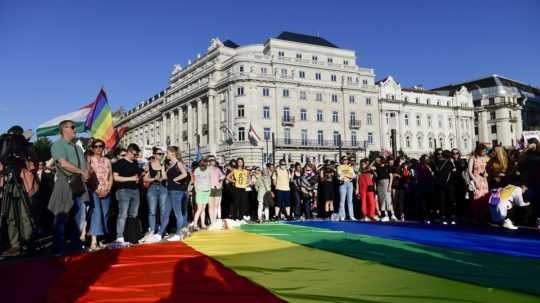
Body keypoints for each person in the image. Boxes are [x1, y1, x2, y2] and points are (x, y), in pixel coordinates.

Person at [48, 121, 88, 255]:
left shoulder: (77, 147)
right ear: (64, 129)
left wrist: (87, 172)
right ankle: (58, 248)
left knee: (79, 215)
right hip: (65, 182)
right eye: (72, 127)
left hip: (79, 183)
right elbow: (63, 163)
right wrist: (82, 172)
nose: (75, 129)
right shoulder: (58, 145)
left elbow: (84, 164)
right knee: (62, 215)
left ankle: (75, 245)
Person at [156, 146, 189, 241]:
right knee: (166, 213)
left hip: (177, 191)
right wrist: (162, 167)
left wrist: (176, 179)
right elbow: (165, 177)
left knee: (177, 213)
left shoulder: (178, 163)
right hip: (169, 191)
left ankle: (179, 234)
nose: (166, 154)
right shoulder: (170, 165)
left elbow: (185, 174)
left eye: (167, 152)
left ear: (172, 153)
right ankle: (159, 233)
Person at [112, 143, 142, 245]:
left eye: (136, 154)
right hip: (123, 191)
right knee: (123, 214)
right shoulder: (119, 163)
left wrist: (139, 177)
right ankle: (119, 236)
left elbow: (137, 175)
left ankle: (131, 235)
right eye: (134, 154)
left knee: (133, 214)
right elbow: (115, 177)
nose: (135, 156)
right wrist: (131, 178)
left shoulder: (135, 163)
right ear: (129, 152)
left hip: (135, 191)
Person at [87, 139, 113, 251]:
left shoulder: (107, 160)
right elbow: (89, 177)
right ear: (92, 148)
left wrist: (108, 188)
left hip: (106, 190)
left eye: (101, 146)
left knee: (105, 215)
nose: (98, 148)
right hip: (94, 191)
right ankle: (93, 241)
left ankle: (101, 239)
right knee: (96, 214)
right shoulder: (89, 160)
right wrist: (96, 190)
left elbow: (111, 176)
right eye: (96, 146)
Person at [140, 147, 167, 243]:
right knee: (152, 211)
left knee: (163, 210)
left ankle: (162, 231)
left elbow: (164, 175)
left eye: (162, 154)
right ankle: (152, 230)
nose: (161, 155)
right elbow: (144, 179)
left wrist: (162, 178)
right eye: (159, 154)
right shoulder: (149, 165)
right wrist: (153, 179)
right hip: (152, 188)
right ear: (154, 154)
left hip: (162, 188)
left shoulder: (162, 164)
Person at [433, 150, 457, 224]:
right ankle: (452, 217)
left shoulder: (437, 163)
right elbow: (454, 171)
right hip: (449, 184)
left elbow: (435, 173)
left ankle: (443, 217)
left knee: (442, 201)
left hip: (440, 184)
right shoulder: (449, 162)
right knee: (450, 200)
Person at [468, 144, 490, 224]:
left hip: (484, 180)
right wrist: (475, 180)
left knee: (485, 197)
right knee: (477, 197)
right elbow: (469, 171)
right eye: (483, 150)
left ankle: (484, 217)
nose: (484, 152)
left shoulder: (485, 158)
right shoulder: (473, 158)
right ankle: (476, 217)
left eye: (485, 151)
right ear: (479, 150)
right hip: (476, 179)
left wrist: (486, 173)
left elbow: (486, 169)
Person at [375, 157, 396, 222]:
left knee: (387, 199)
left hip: (386, 182)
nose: (377, 161)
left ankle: (390, 215)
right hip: (379, 183)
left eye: (378, 160)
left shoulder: (387, 167)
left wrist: (390, 186)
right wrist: (373, 161)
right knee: (381, 199)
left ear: (381, 160)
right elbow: (369, 168)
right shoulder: (377, 167)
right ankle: (383, 215)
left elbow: (391, 176)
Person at [192, 157, 211, 230]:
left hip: (206, 191)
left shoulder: (208, 170)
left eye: (205, 164)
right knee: (199, 209)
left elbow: (209, 180)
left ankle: (203, 224)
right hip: (200, 191)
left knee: (203, 209)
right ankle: (195, 224)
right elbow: (195, 181)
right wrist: (197, 190)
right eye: (202, 164)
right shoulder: (197, 170)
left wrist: (209, 190)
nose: (204, 166)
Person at [337, 156, 356, 220]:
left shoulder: (350, 167)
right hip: (343, 184)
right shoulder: (339, 167)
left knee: (350, 200)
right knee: (342, 200)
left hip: (350, 184)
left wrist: (345, 175)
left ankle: (351, 215)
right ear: (341, 160)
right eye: (344, 159)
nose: (345, 161)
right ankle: (342, 215)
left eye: (347, 159)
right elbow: (340, 175)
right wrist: (348, 175)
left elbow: (354, 176)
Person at [208, 157, 225, 225]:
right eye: (212, 160)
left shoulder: (217, 169)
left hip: (217, 188)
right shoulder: (206, 169)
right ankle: (212, 221)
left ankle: (214, 221)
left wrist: (221, 178)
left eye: (214, 160)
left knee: (216, 205)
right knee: (210, 206)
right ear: (209, 161)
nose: (213, 161)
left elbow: (223, 175)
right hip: (209, 189)